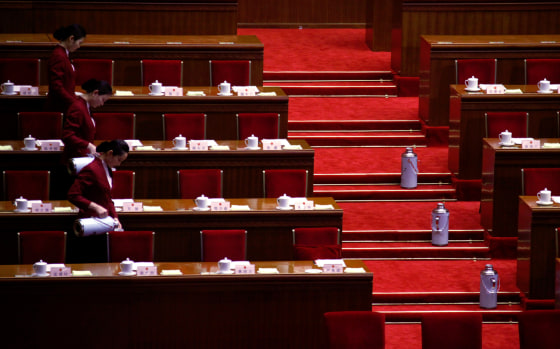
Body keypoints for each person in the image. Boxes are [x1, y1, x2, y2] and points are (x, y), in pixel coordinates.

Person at [68, 139, 129, 229]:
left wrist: (115, 217)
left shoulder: (107, 168)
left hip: (104, 222)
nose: (119, 164)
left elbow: (108, 198)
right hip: (90, 223)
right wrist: (95, 207)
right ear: (110, 153)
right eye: (119, 160)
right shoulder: (92, 169)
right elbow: (73, 195)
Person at [62, 78, 112, 160]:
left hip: (82, 156)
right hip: (75, 158)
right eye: (103, 100)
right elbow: (68, 135)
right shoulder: (78, 108)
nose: (102, 104)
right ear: (95, 93)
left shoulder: (86, 106)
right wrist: (88, 145)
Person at [45, 24, 86, 113]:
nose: (79, 46)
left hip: (65, 105)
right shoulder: (58, 56)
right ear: (71, 39)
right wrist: (74, 102)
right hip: (60, 107)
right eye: (79, 43)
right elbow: (57, 87)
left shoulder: (63, 54)